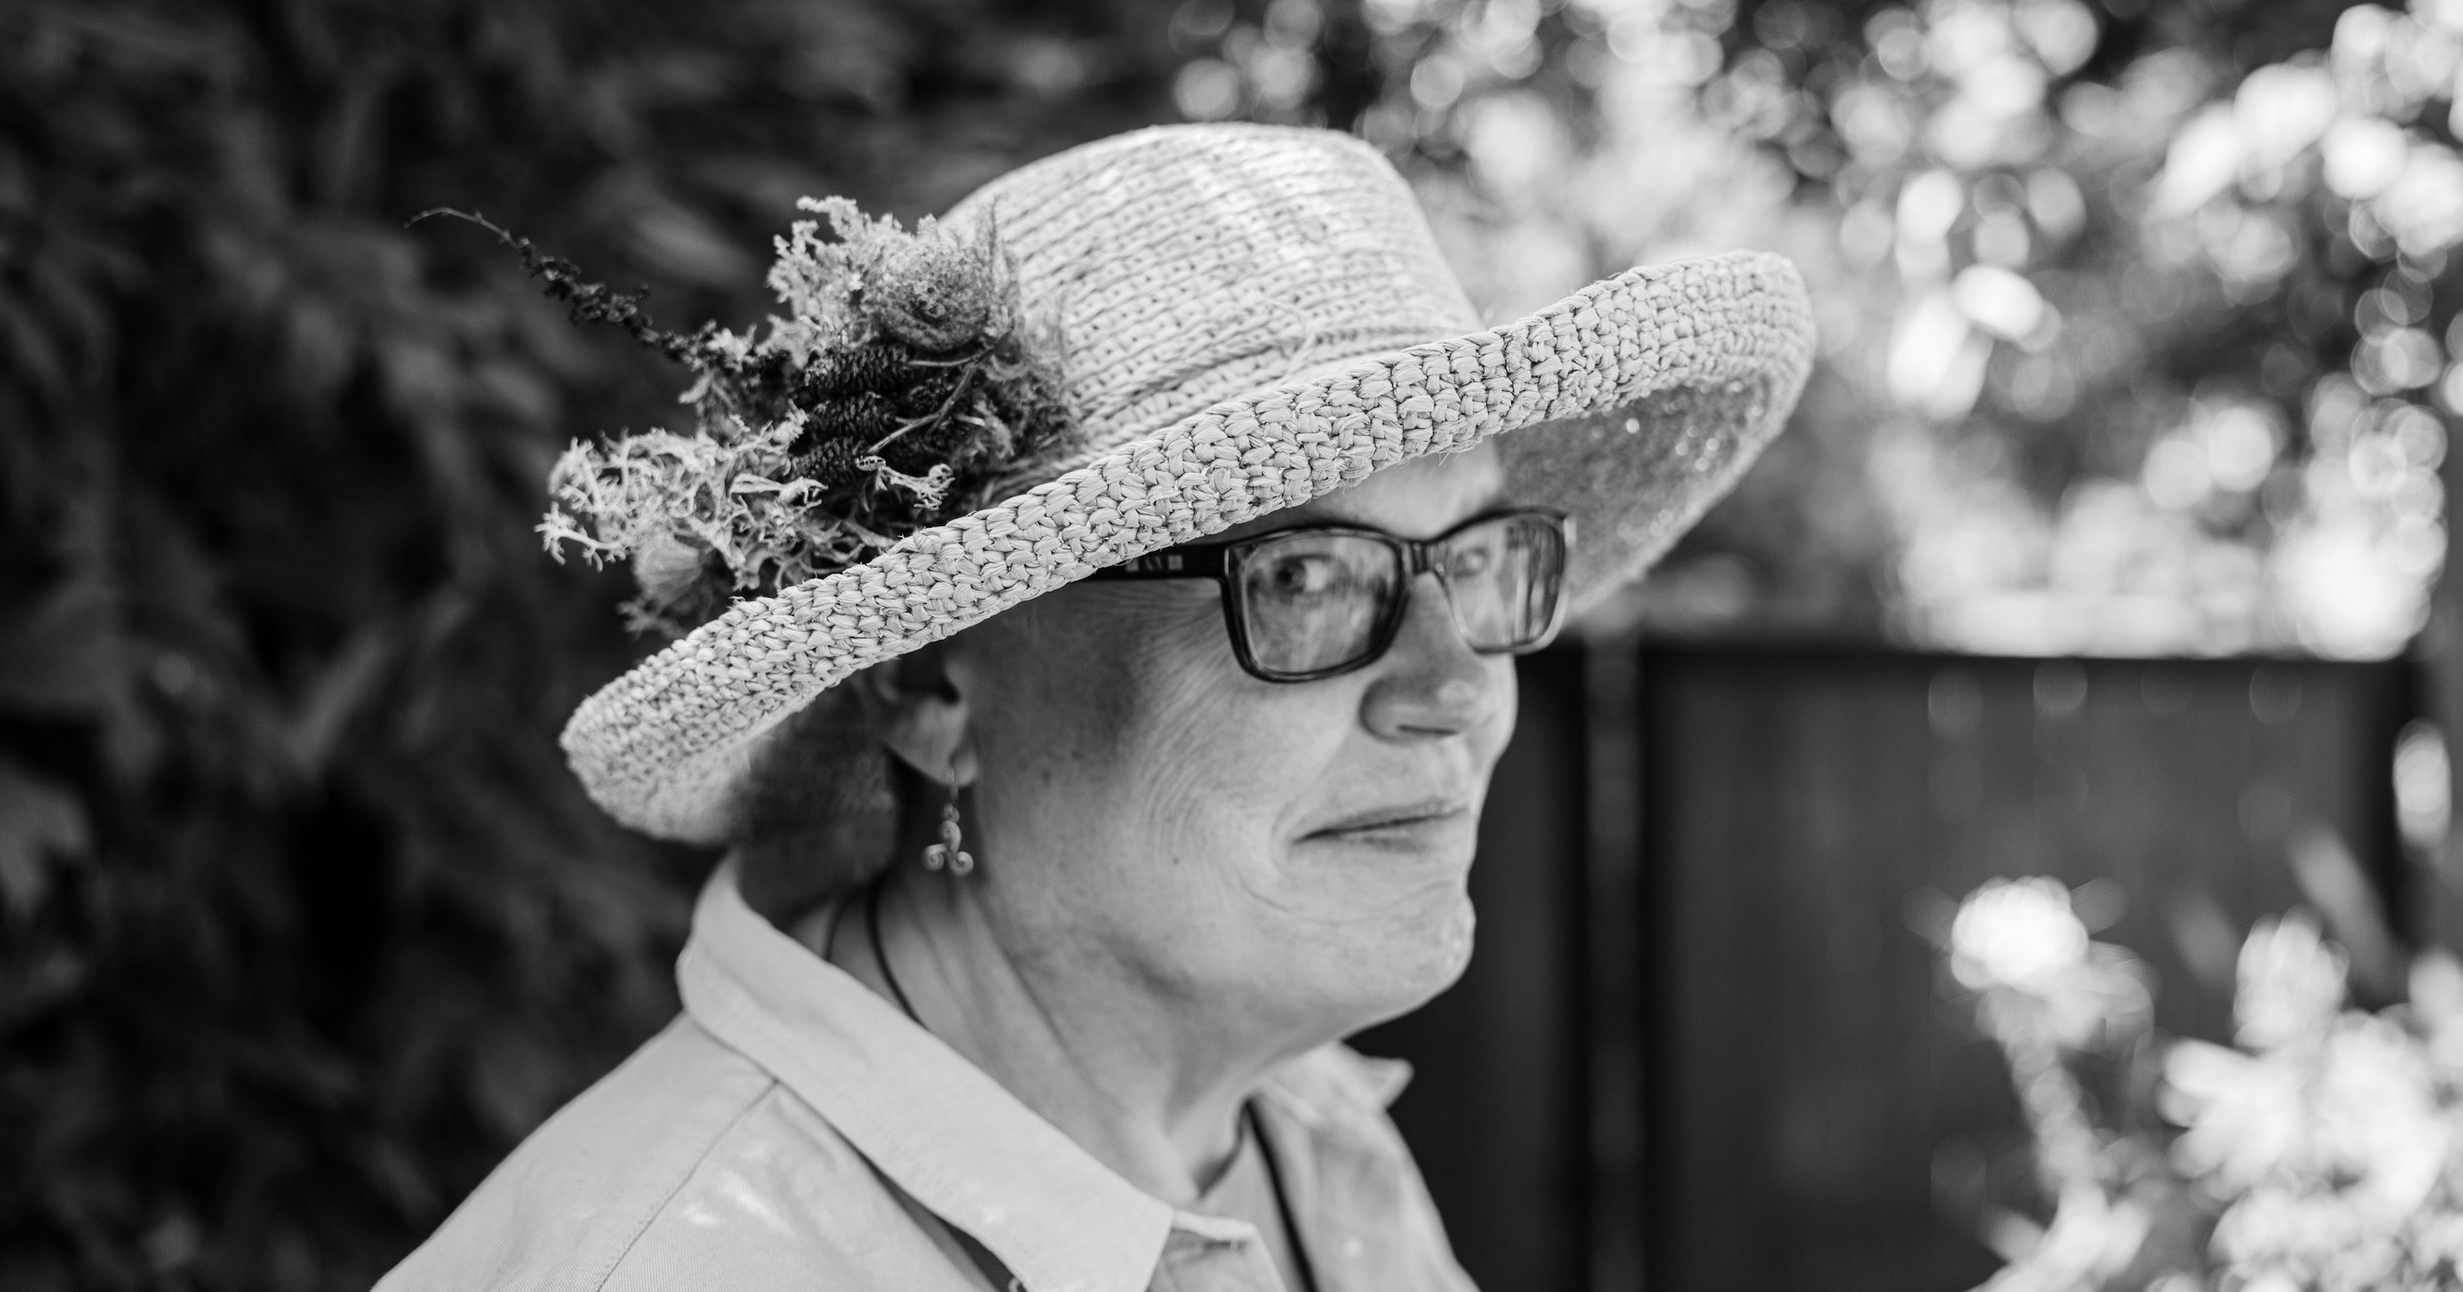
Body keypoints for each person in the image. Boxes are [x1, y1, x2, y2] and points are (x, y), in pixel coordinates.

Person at [378, 123, 1813, 1291]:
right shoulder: (678, 1259)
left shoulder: (1294, 1130)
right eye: (1305, 573)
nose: (1456, 692)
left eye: (1477, 563)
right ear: (936, 687)